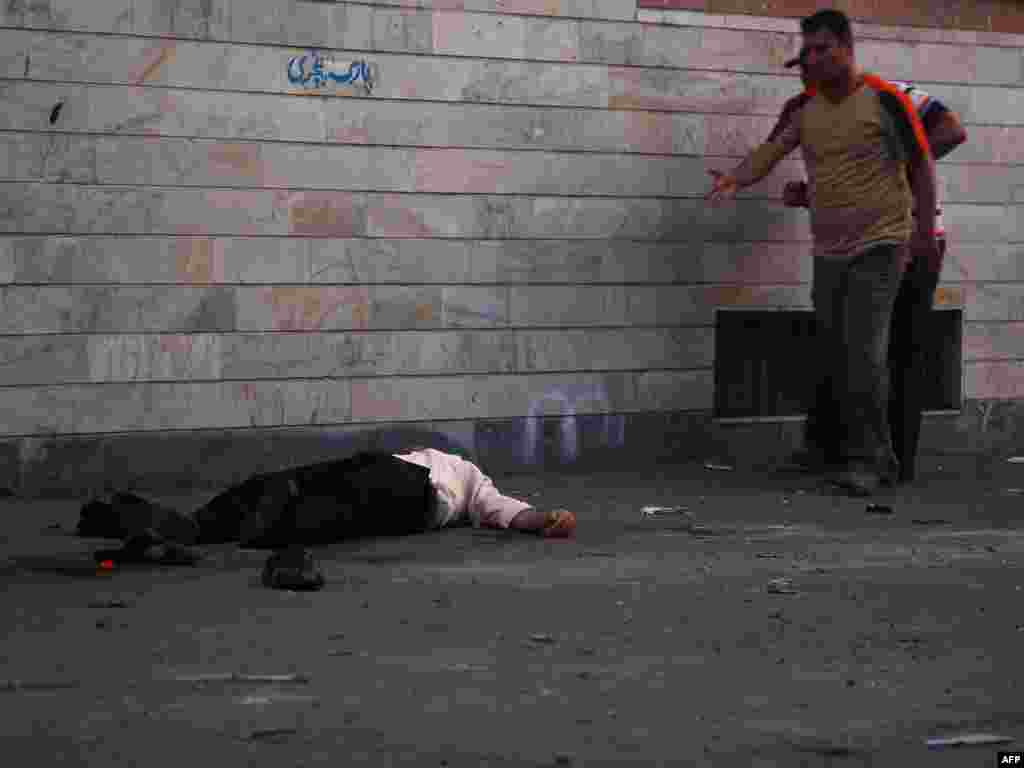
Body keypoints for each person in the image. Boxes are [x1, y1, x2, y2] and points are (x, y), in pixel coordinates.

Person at [707, 9, 940, 496]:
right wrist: (735, 178)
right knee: (838, 353)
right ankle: (853, 453)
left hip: (882, 242)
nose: (810, 60)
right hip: (829, 250)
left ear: (847, 48)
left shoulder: (884, 100)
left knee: (865, 352)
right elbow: (770, 151)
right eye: (806, 51)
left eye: (821, 49)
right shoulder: (805, 109)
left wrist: (921, 231)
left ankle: (872, 462)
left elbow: (921, 163)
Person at [779, 56, 967, 485]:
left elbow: (952, 131)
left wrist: (891, 169)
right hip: (852, 246)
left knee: (897, 348)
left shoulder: (893, 98)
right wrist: (809, 193)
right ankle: (835, 451)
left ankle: (890, 460)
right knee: (843, 347)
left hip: (907, 240)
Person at [79, 447, 576, 589]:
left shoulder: (455, 470)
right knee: (323, 511)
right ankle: (225, 528)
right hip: (403, 493)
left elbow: (514, 513)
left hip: (386, 474)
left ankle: (195, 525)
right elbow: (513, 513)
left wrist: (542, 519)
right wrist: (544, 519)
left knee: (294, 488)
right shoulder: (472, 479)